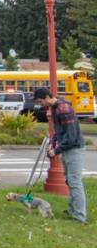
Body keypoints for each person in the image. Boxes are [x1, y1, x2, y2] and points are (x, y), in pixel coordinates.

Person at [36, 86, 88, 224]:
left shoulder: (63, 110)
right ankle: (72, 210)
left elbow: (70, 137)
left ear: (47, 97)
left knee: (75, 182)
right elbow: (60, 131)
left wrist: (56, 151)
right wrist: (53, 143)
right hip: (67, 148)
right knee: (69, 181)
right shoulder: (54, 108)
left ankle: (80, 216)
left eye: (40, 101)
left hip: (74, 148)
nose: (39, 104)